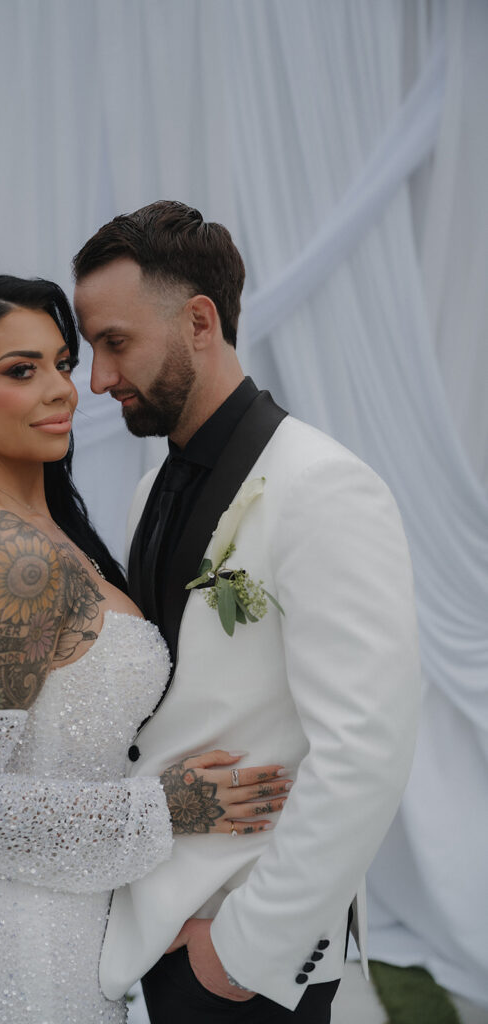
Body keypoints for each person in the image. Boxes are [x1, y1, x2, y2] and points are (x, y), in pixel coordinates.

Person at [0, 275, 291, 1024]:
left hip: (52, 910)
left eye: (62, 364)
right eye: (20, 370)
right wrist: (166, 811)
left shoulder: (28, 534)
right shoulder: (7, 557)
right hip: (15, 936)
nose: (60, 390)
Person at [72, 201, 421, 1022]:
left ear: (199, 319)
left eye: (114, 342)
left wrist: (243, 949)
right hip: (156, 923)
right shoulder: (149, 487)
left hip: (244, 944)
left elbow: (367, 748)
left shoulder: (322, 487)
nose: (97, 380)